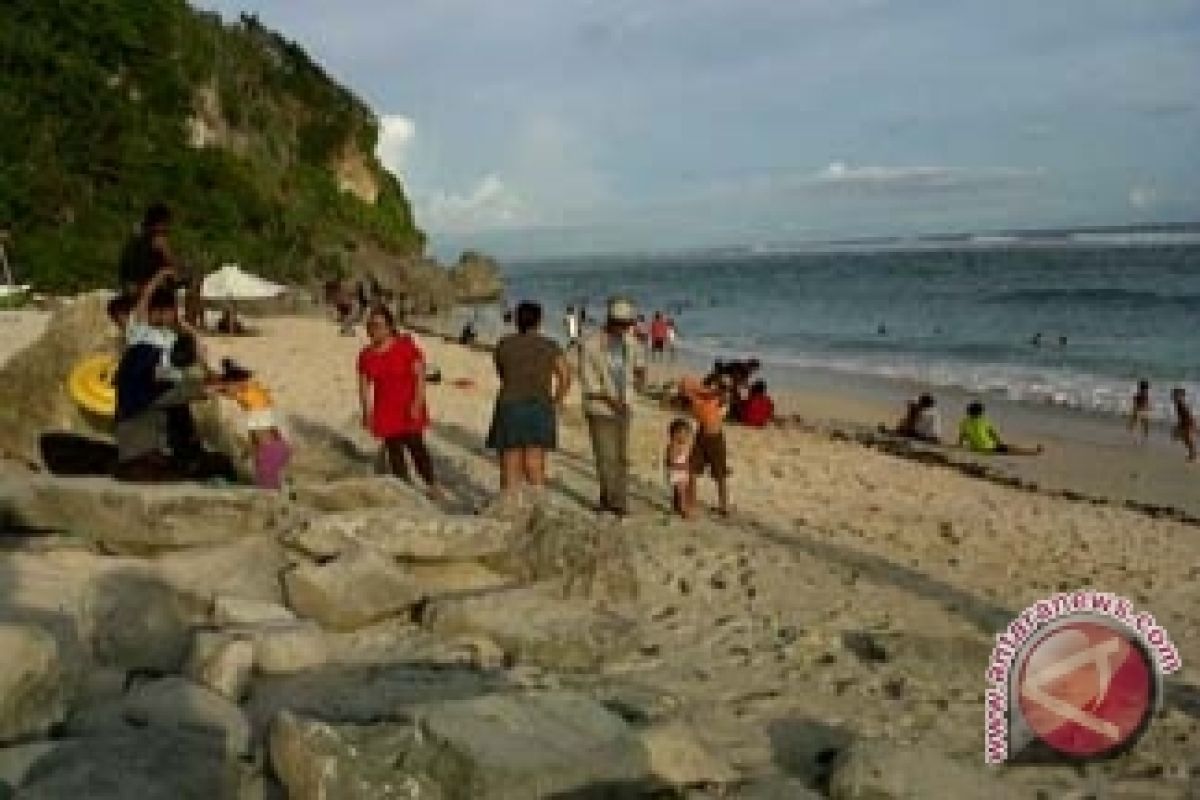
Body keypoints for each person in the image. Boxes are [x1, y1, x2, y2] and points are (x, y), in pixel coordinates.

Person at [486, 302, 572, 507]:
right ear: (539, 321)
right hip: (539, 405)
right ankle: (537, 507)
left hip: (509, 404)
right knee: (535, 461)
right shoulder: (550, 345)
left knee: (509, 460)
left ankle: (509, 506)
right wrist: (557, 401)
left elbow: (502, 372)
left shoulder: (504, 344)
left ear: (516, 320)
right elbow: (566, 376)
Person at [358, 305, 444, 498]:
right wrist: (366, 411)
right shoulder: (366, 355)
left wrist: (417, 403)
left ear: (389, 327)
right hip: (385, 408)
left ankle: (432, 485)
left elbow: (420, 377)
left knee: (416, 446)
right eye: (371, 326)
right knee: (394, 449)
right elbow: (364, 386)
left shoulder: (406, 347)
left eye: (379, 326)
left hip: (408, 405)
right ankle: (404, 489)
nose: (374, 330)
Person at [578, 297, 646, 517]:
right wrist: (611, 400)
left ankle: (614, 500)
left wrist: (639, 378)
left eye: (628, 324)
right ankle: (614, 503)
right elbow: (589, 382)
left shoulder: (631, 343)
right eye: (622, 324)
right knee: (606, 457)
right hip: (600, 408)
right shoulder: (590, 345)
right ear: (610, 321)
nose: (625, 329)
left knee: (621, 458)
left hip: (625, 406)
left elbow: (639, 367)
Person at [217, 359, 292, 491]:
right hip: (278, 449)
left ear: (237, 383)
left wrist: (250, 450)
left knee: (269, 489)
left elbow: (260, 438)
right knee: (274, 487)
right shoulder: (253, 391)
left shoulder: (252, 402)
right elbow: (231, 391)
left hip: (270, 453)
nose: (228, 390)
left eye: (229, 385)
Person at [679, 374, 731, 516]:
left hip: (716, 438)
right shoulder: (698, 397)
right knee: (693, 470)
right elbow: (685, 382)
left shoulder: (719, 398)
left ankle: (724, 506)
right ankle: (692, 502)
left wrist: (716, 389)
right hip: (701, 436)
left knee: (720, 474)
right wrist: (703, 389)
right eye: (714, 385)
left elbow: (723, 395)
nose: (716, 388)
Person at [117, 204, 176, 297]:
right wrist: (166, 252)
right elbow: (173, 267)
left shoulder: (140, 238)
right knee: (166, 274)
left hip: (139, 286)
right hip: (139, 289)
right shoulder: (148, 242)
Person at [957, 401, 1042, 455]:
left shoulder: (964, 422)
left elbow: (962, 436)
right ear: (981, 413)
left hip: (975, 448)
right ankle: (1033, 451)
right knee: (1011, 448)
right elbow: (993, 434)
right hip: (989, 447)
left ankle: (1032, 451)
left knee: (1007, 447)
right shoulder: (984, 421)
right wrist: (999, 442)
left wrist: (960, 445)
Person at [664, 418, 694, 519]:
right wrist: (683, 466)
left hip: (682, 471)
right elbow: (670, 462)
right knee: (681, 492)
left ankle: (676, 507)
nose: (685, 437)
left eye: (687, 435)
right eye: (683, 434)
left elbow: (685, 458)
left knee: (679, 492)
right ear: (674, 434)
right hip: (676, 472)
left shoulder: (683, 445)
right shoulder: (673, 446)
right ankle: (683, 510)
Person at [1172, 387, 1196, 462]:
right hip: (1187, 422)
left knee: (1188, 440)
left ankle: (1192, 456)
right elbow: (1183, 415)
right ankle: (1192, 455)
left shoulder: (1180, 404)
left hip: (1187, 423)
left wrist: (1181, 425)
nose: (1174, 397)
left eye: (1175, 395)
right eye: (1174, 395)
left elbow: (1185, 415)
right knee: (1187, 440)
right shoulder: (1179, 404)